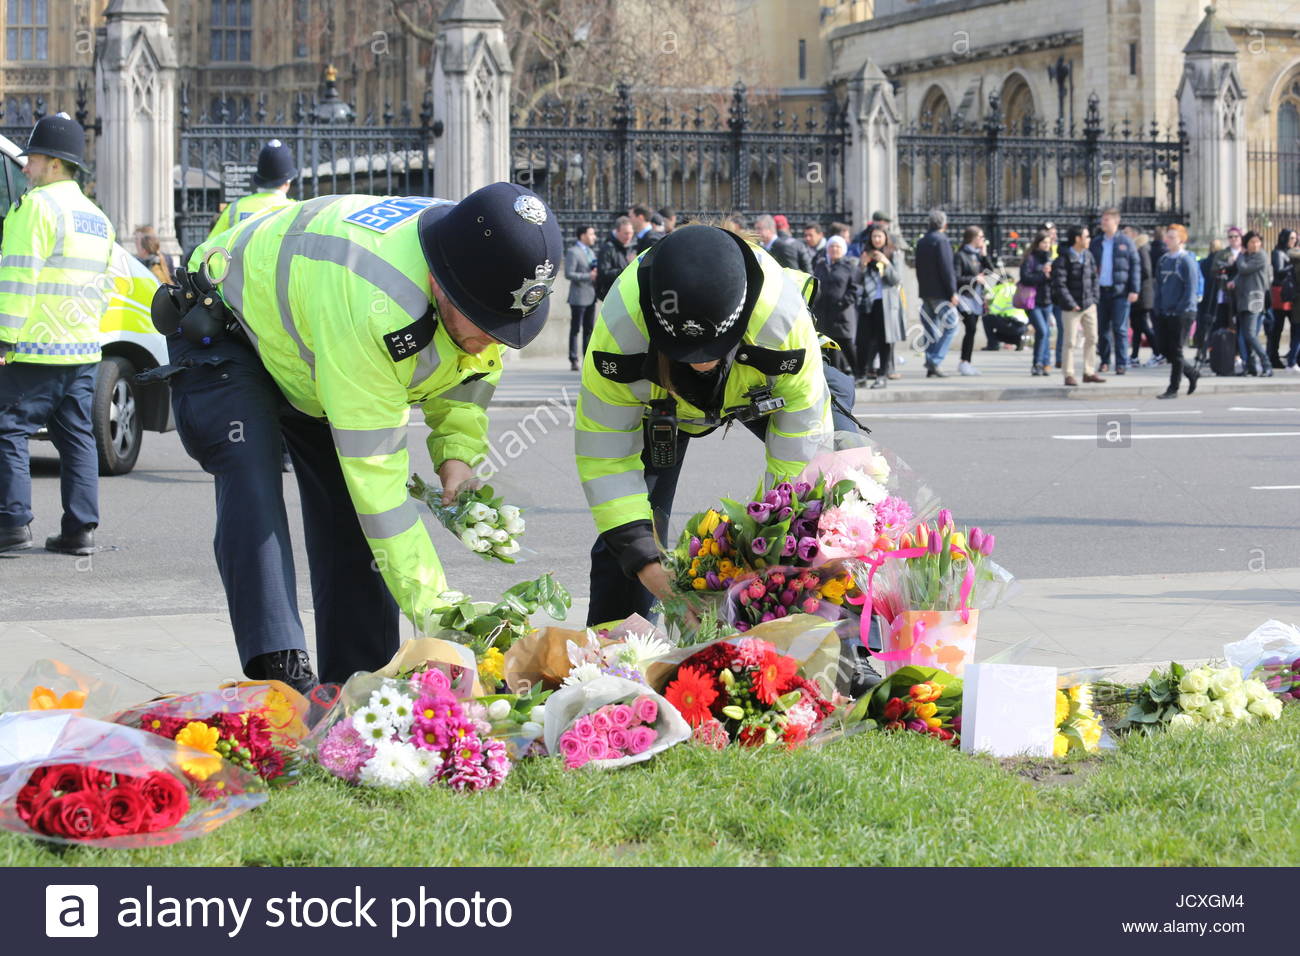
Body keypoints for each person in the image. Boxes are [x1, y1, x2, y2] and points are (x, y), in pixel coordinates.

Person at [153, 182, 563, 692]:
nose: (491, 340)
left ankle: (359, 681)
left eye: (505, 330)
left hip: (310, 352)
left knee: (350, 519)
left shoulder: (476, 263)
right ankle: (279, 672)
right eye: (485, 324)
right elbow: (382, 491)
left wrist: (457, 452)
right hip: (228, 325)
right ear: (440, 284)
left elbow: (470, 370)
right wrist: (443, 617)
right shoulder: (376, 303)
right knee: (252, 477)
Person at [575, 224, 835, 625]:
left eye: (710, 348)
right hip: (661, 403)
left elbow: (800, 457)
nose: (699, 362)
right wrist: (645, 561)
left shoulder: (781, 323)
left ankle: (841, 644)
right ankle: (613, 660)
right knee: (629, 538)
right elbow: (606, 456)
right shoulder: (620, 330)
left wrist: (774, 553)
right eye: (687, 350)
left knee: (834, 496)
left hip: (757, 387)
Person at [0, 113, 115, 556]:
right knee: (77, 435)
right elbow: (106, 286)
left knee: (7, 426)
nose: (25, 168)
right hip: (83, 348)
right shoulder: (96, 216)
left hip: (36, 347)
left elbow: (17, 277)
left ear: (50, 162)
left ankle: (11, 522)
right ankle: (79, 530)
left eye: (30, 160)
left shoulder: (37, 207)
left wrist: (4, 338)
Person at [205, 139, 297, 244]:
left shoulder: (234, 209)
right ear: (287, 182)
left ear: (259, 179)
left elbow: (209, 249)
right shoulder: (295, 210)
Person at [1089, 207, 1140, 374]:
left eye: (1106, 220)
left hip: (1120, 291)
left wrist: (1134, 289)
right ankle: (1104, 361)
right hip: (1101, 291)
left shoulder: (1126, 242)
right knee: (1102, 329)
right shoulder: (1097, 242)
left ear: (1116, 221)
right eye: (1102, 220)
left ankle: (1121, 363)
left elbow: (1135, 266)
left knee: (1120, 328)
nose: (1103, 222)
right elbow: (1089, 267)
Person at [1152, 224, 1200, 399]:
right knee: (1164, 349)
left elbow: (1190, 288)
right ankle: (1191, 372)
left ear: (1181, 240)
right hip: (1165, 310)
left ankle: (1173, 388)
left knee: (1177, 349)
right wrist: (1157, 306)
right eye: (1167, 236)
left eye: (1171, 237)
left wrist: (1181, 309)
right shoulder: (1164, 260)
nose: (1167, 240)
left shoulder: (1186, 260)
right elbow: (1159, 285)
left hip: (1182, 312)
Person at [855, 223, 906, 389]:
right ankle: (861, 375)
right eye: (874, 236)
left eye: (880, 236)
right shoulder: (865, 254)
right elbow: (856, 279)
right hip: (867, 302)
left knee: (885, 341)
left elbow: (897, 279)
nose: (876, 239)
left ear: (885, 238)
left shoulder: (893, 254)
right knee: (863, 340)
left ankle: (882, 375)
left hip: (886, 304)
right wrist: (862, 265)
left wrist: (886, 263)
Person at [1052, 224, 1103, 387]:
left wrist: (1094, 298)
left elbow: (1094, 278)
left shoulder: (1088, 255)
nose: (1089, 240)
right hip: (1071, 307)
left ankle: (1089, 371)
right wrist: (1070, 303)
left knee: (1092, 338)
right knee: (1070, 342)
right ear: (1077, 239)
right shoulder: (1063, 258)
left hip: (1088, 304)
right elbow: (1060, 284)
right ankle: (1069, 374)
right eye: (1086, 237)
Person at [914, 208, 960, 378]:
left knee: (931, 330)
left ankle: (931, 363)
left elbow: (918, 268)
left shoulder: (923, 241)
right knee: (952, 326)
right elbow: (947, 269)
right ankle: (935, 359)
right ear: (944, 224)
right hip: (941, 293)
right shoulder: (942, 241)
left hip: (926, 291)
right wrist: (952, 292)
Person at [811, 235, 860, 374]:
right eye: (832, 246)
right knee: (830, 347)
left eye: (837, 246)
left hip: (842, 313)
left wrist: (843, 302)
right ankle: (836, 375)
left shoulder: (849, 266)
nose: (834, 249)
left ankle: (859, 372)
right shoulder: (821, 265)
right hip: (824, 314)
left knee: (846, 344)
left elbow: (855, 288)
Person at [1229, 230, 1273, 377]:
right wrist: (1233, 282)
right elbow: (1240, 275)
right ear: (1247, 244)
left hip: (1255, 299)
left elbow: (1243, 268)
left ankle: (1266, 364)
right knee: (1244, 335)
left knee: (1250, 334)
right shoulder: (1248, 256)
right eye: (1252, 242)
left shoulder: (1260, 256)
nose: (1255, 244)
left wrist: (1240, 255)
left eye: (1257, 242)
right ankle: (1250, 366)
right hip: (1243, 299)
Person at [955, 225, 995, 376]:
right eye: (981, 237)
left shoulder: (978, 255)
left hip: (977, 298)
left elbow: (990, 271)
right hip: (965, 297)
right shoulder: (961, 255)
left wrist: (984, 255)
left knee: (972, 330)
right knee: (970, 328)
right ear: (973, 238)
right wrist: (975, 279)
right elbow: (957, 278)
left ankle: (966, 362)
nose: (983, 240)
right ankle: (964, 362)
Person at [1019, 230, 1055, 376]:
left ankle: (1045, 363)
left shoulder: (1051, 259)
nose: (1046, 245)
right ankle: (1037, 363)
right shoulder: (1030, 258)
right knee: (1042, 330)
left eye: (1048, 243)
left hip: (1047, 300)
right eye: (1044, 242)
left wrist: (1051, 274)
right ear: (1038, 243)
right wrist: (1043, 275)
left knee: (1045, 333)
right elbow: (1025, 277)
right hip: (1032, 301)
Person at [565, 224, 598, 371]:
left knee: (589, 330)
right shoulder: (573, 252)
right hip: (578, 297)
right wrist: (588, 276)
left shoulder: (591, 252)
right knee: (576, 329)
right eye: (591, 234)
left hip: (591, 296)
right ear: (583, 235)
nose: (594, 237)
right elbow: (569, 274)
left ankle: (587, 359)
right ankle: (573, 359)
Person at [1125, 227, 1157, 367]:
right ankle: (1134, 356)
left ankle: (1158, 351)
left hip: (1143, 294)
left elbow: (1146, 270)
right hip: (1139, 293)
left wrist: (1131, 276)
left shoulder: (1141, 248)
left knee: (1143, 325)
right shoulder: (1136, 248)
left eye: (1126, 233)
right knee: (1137, 327)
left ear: (1134, 234)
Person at [1268, 229, 1296, 369]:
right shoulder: (1278, 252)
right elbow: (1279, 271)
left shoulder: (1291, 252)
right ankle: (1273, 356)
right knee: (1277, 327)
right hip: (1280, 292)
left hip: (1291, 292)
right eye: (1291, 238)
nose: (1293, 241)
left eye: (1295, 238)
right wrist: (1294, 265)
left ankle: (1293, 354)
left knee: (1295, 326)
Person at [596, 215, 635, 301]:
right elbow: (603, 274)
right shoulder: (607, 248)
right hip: (613, 297)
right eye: (626, 233)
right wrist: (626, 269)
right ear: (617, 231)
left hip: (629, 295)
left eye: (631, 233)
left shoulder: (632, 247)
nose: (629, 236)